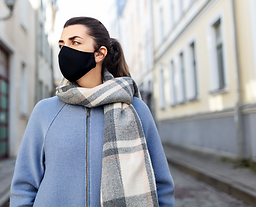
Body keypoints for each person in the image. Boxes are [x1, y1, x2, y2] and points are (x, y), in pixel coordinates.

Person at [10, 16, 175, 207]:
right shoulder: (45, 111)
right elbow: (23, 187)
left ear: (99, 53)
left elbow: (161, 185)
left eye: (75, 42)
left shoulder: (135, 109)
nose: (65, 51)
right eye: (62, 45)